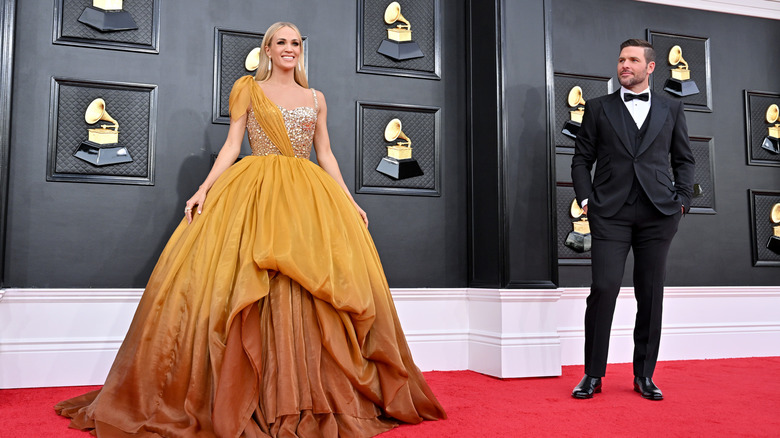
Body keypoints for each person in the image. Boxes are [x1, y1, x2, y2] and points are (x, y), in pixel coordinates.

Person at [56, 21, 446, 437]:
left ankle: (305, 390)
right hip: (255, 191)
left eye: (295, 43)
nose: (289, 49)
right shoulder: (247, 89)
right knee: (248, 278)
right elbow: (231, 145)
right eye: (281, 42)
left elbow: (326, 153)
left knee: (309, 283)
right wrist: (203, 190)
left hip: (307, 195)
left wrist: (349, 199)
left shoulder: (317, 98)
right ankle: (250, 391)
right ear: (268, 49)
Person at [570, 39, 695, 401]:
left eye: (633, 60)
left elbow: (684, 159)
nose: (625, 65)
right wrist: (586, 199)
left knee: (651, 294)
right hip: (609, 212)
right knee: (604, 289)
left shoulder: (672, 108)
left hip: (659, 213)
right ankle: (592, 374)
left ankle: (644, 376)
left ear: (650, 67)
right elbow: (581, 159)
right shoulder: (598, 108)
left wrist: (682, 201)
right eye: (621, 59)